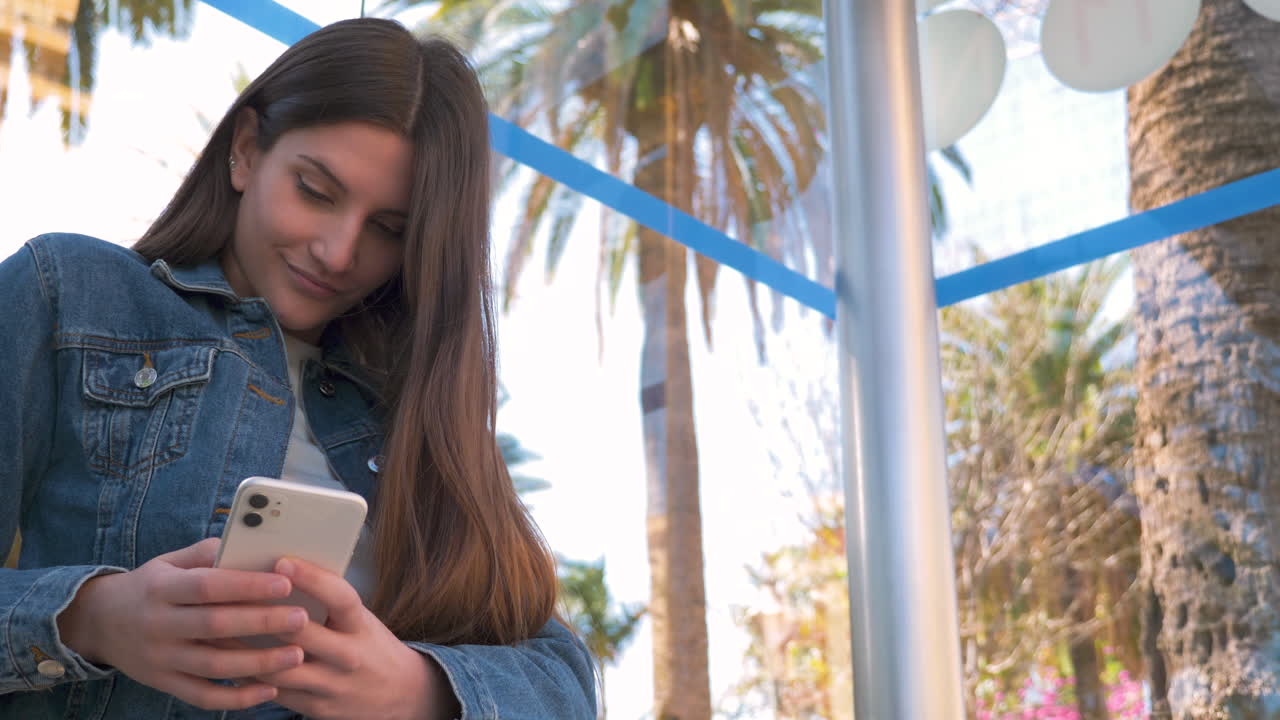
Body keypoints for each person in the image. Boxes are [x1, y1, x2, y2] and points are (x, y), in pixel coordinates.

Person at [0, 17, 596, 720]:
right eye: (315, 190)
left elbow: (565, 681)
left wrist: (418, 689)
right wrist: (90, 618)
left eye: (389, 230)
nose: (338, 253)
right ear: (246, 150)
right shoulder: (71, 294)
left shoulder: (416, 418)